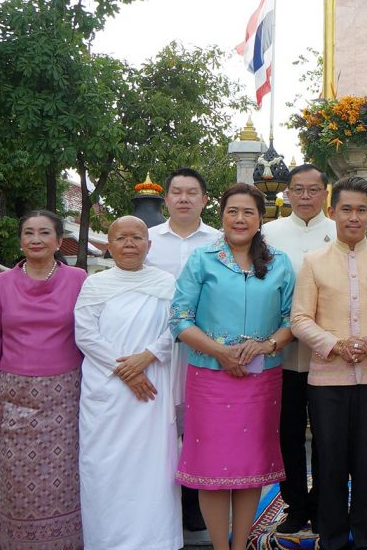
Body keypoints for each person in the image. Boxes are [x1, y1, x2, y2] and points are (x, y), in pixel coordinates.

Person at [169, 184, 296, 550]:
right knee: (211, 467)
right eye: (232, 211)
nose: (240, 219)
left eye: (248, 212)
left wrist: (267, 344)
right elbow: (179, 318)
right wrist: (220, 353)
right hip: (210, 378)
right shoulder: (201, 259)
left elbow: (292, 319)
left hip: (261, 380)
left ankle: (240, 545)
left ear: (261, 219)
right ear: (221, 216)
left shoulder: (279, 263)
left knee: (250, 465)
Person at [291, 177, 367, 550]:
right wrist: (335, 345)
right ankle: (331, 537)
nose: (354, 217)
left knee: (365, 463)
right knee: (329, 462)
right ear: (332, 213)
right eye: (346, 209)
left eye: (361, 210)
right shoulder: (313, 262)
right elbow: (299, 319)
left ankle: (364, 538)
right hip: (327, 379)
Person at [0, 210, 87, 549]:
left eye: (44, 233)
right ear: (20, 240)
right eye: (29, 233)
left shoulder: (78, 279)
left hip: (66, 399)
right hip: (13, 399)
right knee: (16, 481)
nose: (36, 239)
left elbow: (94, 331)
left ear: (58, 241)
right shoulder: (1, 283)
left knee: (64, 481)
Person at [74, 216, 181, 550]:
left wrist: (146, 357)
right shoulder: (94, 284)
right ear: (109, 246)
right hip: (106, 390)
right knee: (103, 468)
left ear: (149, 246)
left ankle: (157, 540)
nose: (130, 243)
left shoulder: (167, 283)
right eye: (121, 238)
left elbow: (177, 328)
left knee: (153, 470)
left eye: (137, 237)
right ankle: (105, 541)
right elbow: (85, 334)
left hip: (153, 387)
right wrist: (126, 370)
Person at [145, 167, 220, 532]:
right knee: (158, 423)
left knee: (198, 426)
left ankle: (194, 504)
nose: (185, 198)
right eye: (178, 192)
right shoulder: (146, 240)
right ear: (167, 199)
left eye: (193, 192)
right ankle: (156, 503)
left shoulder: (220, 241)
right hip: (156, 348)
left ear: (205, 200)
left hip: (205, 348)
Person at [263, 163, 336, 534]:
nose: (305, 197)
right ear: (287, 193)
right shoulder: (268, 233)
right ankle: (295, 503)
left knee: (328, 433)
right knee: (287, 432)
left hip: (330, 353)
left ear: (326, 193)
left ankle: (325, 501)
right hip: (282, 353)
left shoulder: (340, 231)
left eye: (313, 190)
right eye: (298, 189)